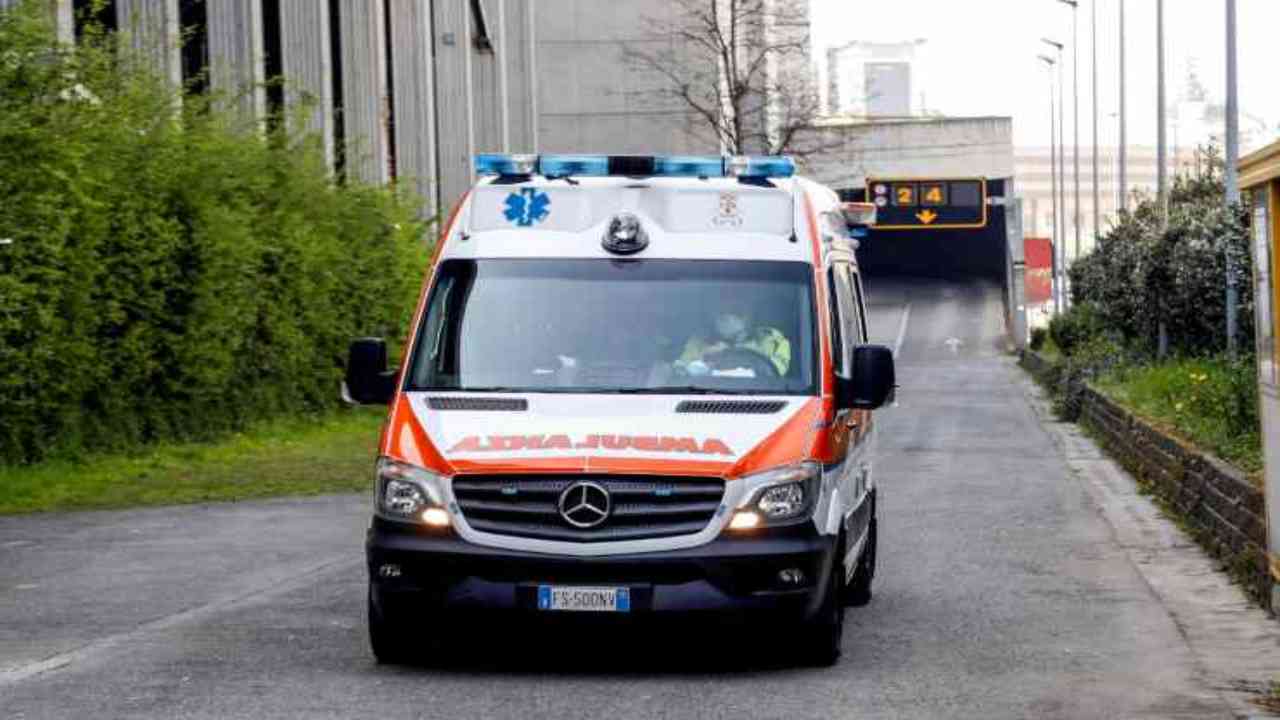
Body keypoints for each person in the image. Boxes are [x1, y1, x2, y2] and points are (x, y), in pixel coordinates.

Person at [677, 300, 791, 377]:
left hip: (756, 395)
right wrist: (704, 358)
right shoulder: (699, 340)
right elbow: (682, 370)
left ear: (750, 316)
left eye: (736, 311)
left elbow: (777, 370)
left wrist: (741, 352)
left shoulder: (770, 338)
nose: (728, 316)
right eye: (722, 312)